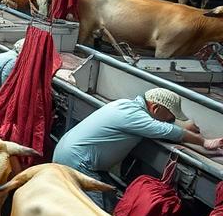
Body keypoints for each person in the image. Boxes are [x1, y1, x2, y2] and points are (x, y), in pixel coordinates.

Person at [53, 87, 223, 208]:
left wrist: (183, 127)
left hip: (69, 153)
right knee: (95, 210)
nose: (170, 120)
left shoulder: (126, 104)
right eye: (170, 116)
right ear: (155, 108)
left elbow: (160, 126)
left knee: (109, 197)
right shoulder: (135, 116)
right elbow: (167, 130)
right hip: (78, 162)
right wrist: (204, 142)